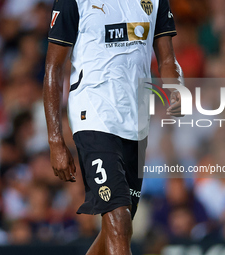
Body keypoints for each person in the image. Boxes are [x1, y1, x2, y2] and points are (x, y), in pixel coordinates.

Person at [43, 0, 183, 254]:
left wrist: (175, 87)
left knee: (117, 225)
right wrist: (55, 140)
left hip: (136, 121)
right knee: (119, 219)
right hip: (93, 115)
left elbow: (166, 58)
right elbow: (53, 67)